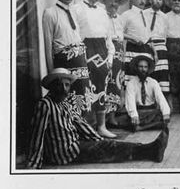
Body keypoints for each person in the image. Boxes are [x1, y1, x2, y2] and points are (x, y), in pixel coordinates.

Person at [26, 68, 169, 169]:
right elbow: (37, 134)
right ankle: (151, 150)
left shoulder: (65, 103)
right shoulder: (45, 104)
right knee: (108, 148)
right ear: (51, 86)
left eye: (67, 85)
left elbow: (80, 124)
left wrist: (98, 140)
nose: (64, 89)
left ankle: (150, 150)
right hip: (65, 153)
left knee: (107, 146)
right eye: (59, 85)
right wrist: (33, 164)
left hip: (74, 144)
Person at [73, 0, 116, 138]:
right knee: (84, 88)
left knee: (101, 88)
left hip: (102, 52)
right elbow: (75, 34)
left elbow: (108, 36)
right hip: (85, 50)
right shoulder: (76, 9)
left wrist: (110, 57)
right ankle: (84, 127)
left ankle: (101, 126)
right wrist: (81, 56)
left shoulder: (102, 10)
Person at [42, 0, 92, 114]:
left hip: (80, 61)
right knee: (67, 96)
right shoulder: (50, 13)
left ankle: (82, 128)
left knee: (82, 94)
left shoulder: (75, 11)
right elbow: (48, 45)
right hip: (64, 62)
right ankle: (68, 129)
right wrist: (52, 72)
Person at [98, 0, 129, 128]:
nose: (113, 4)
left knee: (117, 84)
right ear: (105, 2)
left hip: (119, 53)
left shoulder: (120, 19)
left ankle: (112, 116)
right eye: (110, 1)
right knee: (106, 83)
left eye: (116, 1)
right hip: (106, 52)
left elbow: (122, 37)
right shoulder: (101, 15)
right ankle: (102, 118)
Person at [125, 55, 171, 132]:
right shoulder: (131, 83)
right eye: (141, 67)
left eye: (145, 67)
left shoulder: (153, 82)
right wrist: (134, 115)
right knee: (129, 119)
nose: (143, 69)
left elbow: (160, 98)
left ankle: (141, 128)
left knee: (164, 116)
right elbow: (130, 101)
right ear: (136, 68)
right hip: (139, 112)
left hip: (151, 112)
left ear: (148, 68)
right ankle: (145, 126)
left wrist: (166, 113)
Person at [143, 0, 172, 109]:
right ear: (151, 0)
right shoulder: (144, 14)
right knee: (149, 72)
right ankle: (148, 102)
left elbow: (165, 34)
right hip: (148, 45)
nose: (158, 1)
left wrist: (161, 48)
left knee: (162, 75)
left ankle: (162, 105)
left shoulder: (165, 17)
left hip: (161, 47)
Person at [120, 0, 156, 81]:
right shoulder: (126, 15)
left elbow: (149, 37)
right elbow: (119, 32)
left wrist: (155, 53)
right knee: (131, 79)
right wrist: (132, 38)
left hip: (146, 51)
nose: (143, 1)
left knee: (144, 80)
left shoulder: (146, 15)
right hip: (132, 50)